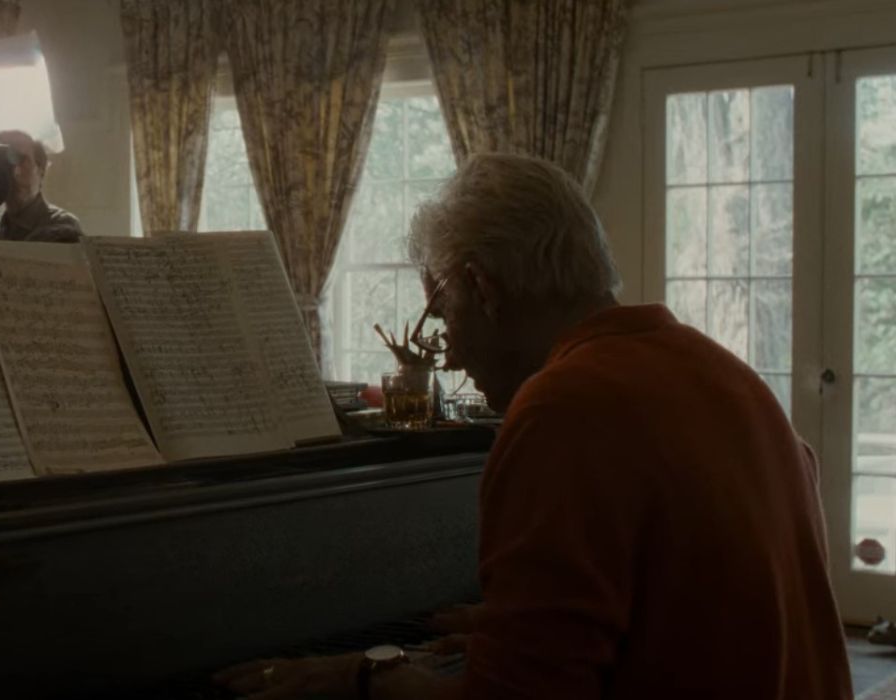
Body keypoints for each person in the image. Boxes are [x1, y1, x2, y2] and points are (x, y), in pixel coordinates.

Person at [216, 154, 851, 699]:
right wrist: (520, 631)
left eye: (441, 313)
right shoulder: (722, 372)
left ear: (481, 287)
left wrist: (366, 675)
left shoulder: (563, 406)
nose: (451, 352)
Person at [0, 129, 83, 242]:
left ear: (41, 169)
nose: (13, 171)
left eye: (20, 159)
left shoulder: (62, 225)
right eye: (2, 162)